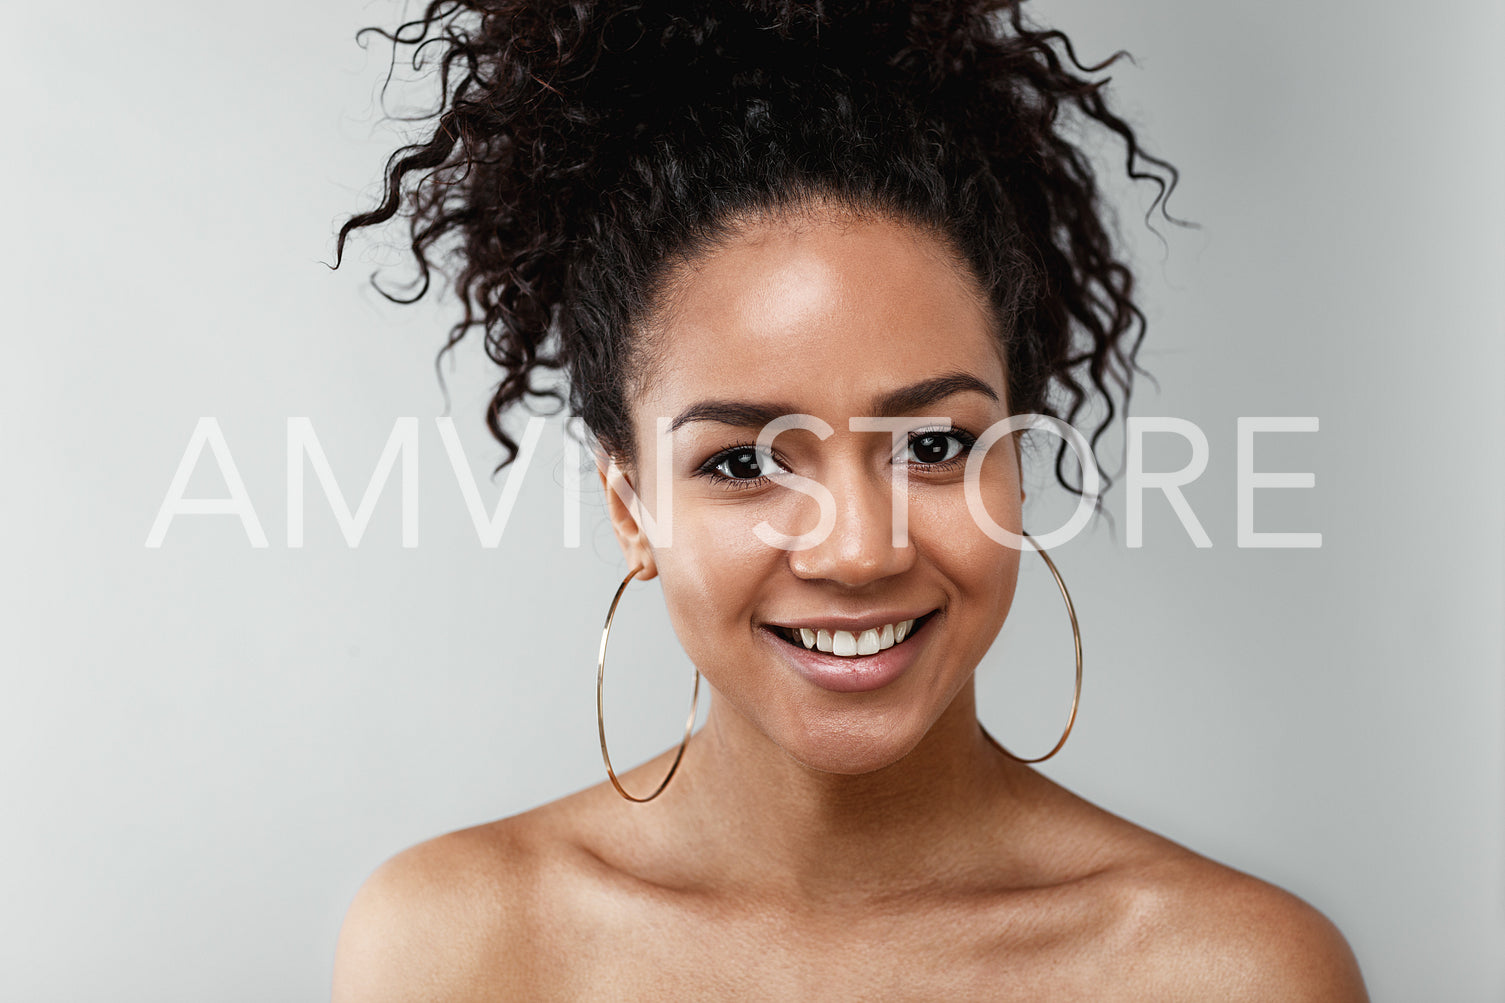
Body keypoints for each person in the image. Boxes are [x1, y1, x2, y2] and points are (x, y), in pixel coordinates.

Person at [329, 2, 1368, 998]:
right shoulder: (454, 948)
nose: (857, 551)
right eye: (743, 462)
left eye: (930, 444)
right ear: (628, 504)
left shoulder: (1232, 974)